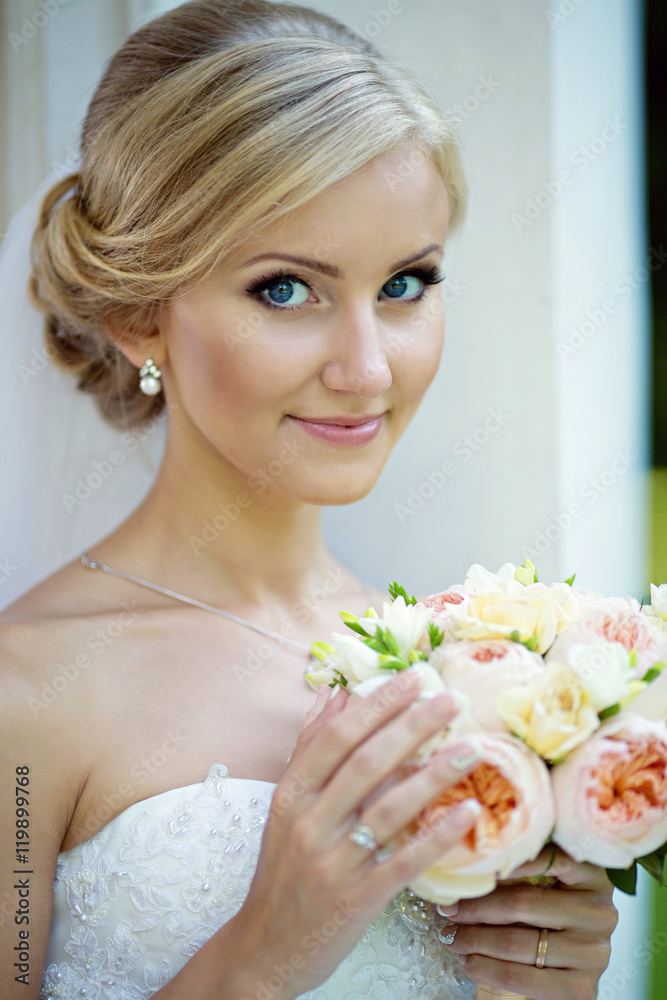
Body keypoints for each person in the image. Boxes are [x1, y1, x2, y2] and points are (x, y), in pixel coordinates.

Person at [0, 2, 618, 998]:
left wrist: (544, 981)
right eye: (287, 290)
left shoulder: (468, 670)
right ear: (135, 315)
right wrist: (261, 953)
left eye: (407, 283)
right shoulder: (20, 698)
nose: (368, 368)